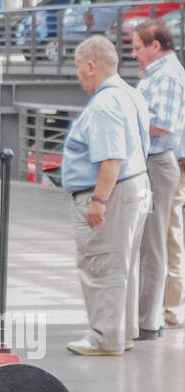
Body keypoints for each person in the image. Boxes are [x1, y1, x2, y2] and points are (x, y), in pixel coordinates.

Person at [61, 35, 151, 356]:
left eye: (78, 68)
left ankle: (105, 338)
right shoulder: (130, 94)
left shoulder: (104, 104)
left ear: (90, 66)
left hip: (111, 193)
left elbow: (110, 158)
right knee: (123, 264)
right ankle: (123, 332)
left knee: (102, 265)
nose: (78, 75)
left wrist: (98, 200)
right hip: (136, 186)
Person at [131, 20, 185, 335]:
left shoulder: (166, 76)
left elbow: (163, 123)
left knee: (159, 242)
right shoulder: (158, 75)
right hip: (161, 162)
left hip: (162, 162)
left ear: (155, 46)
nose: (134, 53)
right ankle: (158, 310)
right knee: (159, 239)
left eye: (138, 47)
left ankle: (158, 314)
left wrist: (129, 117)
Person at [164, 130, 185, 326]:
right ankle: (170, 305)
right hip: (170, 161)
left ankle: (172, 307)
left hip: (173, 161)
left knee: (171, 233)